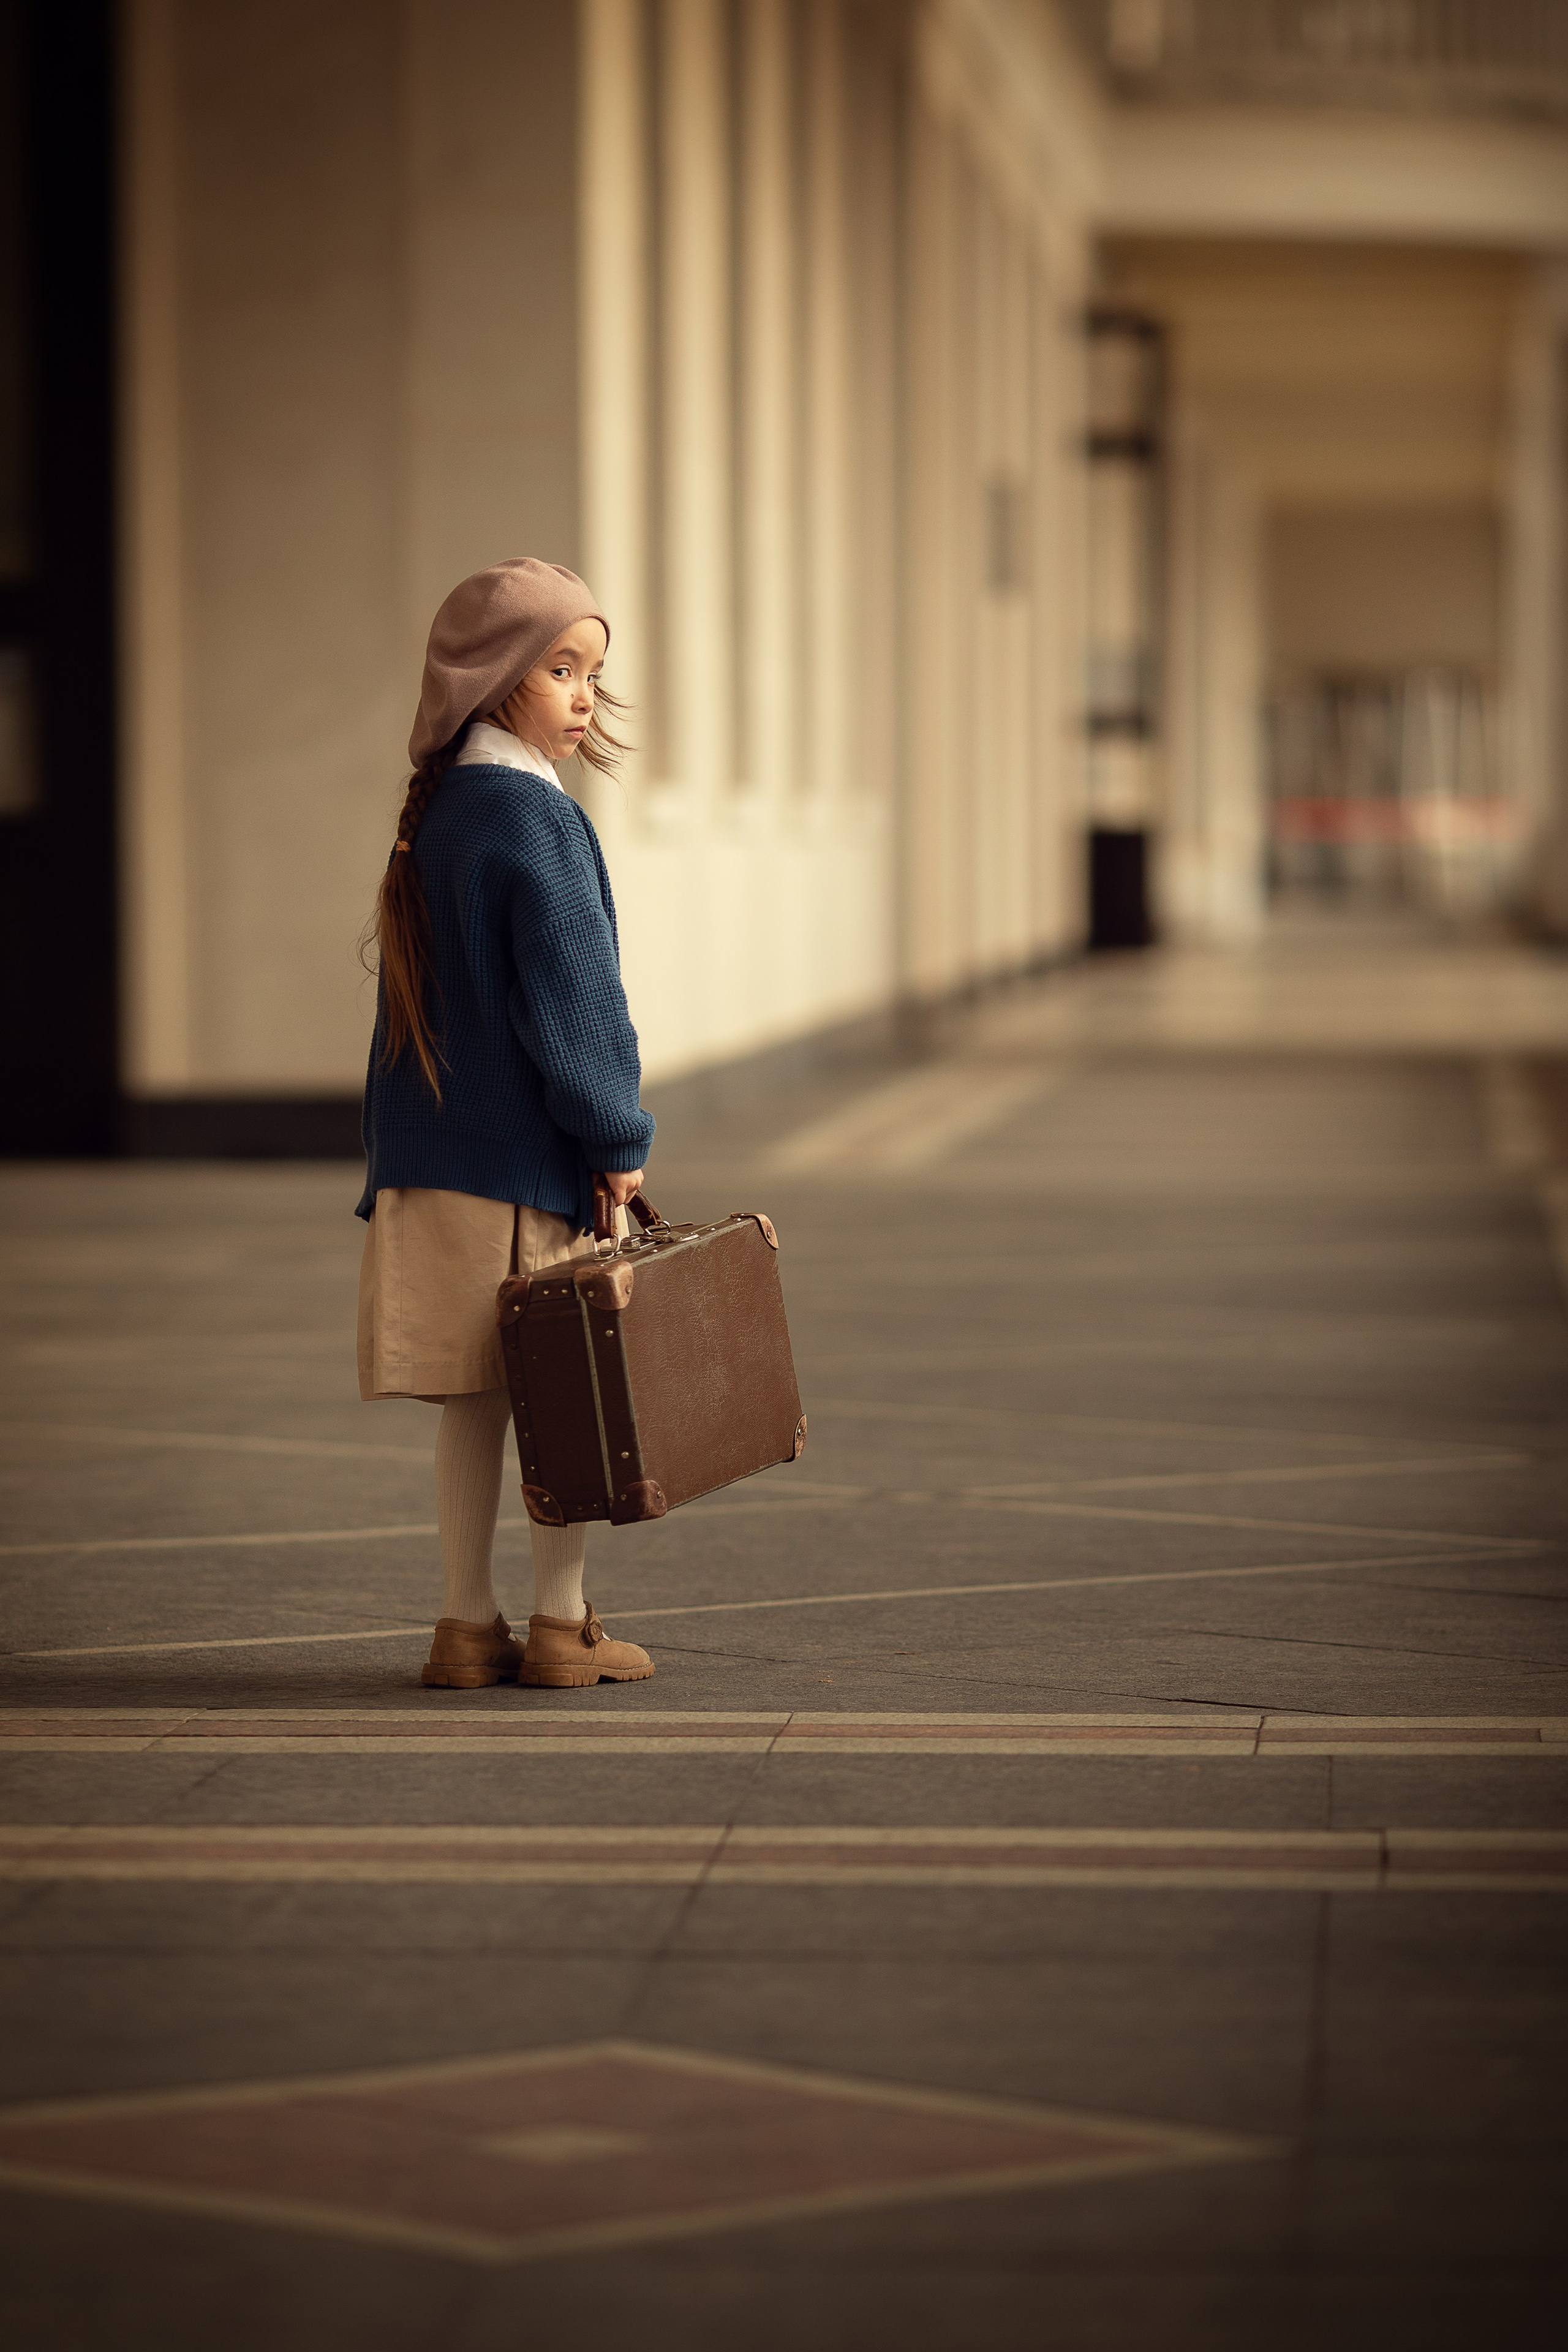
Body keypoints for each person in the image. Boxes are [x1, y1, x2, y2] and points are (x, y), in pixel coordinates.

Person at [357, 557, 657, 1691]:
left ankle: (462, 1625)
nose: (585, 696)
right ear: (490, 684)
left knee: (474, 1402)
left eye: (592, 673)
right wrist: (616, 1140)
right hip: (527, 1164)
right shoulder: (534, 816)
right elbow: (575, 1005)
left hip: (433, 1162)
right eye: (561, 670)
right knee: (563, 1397)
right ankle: (560, 1625)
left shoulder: (440, 818)